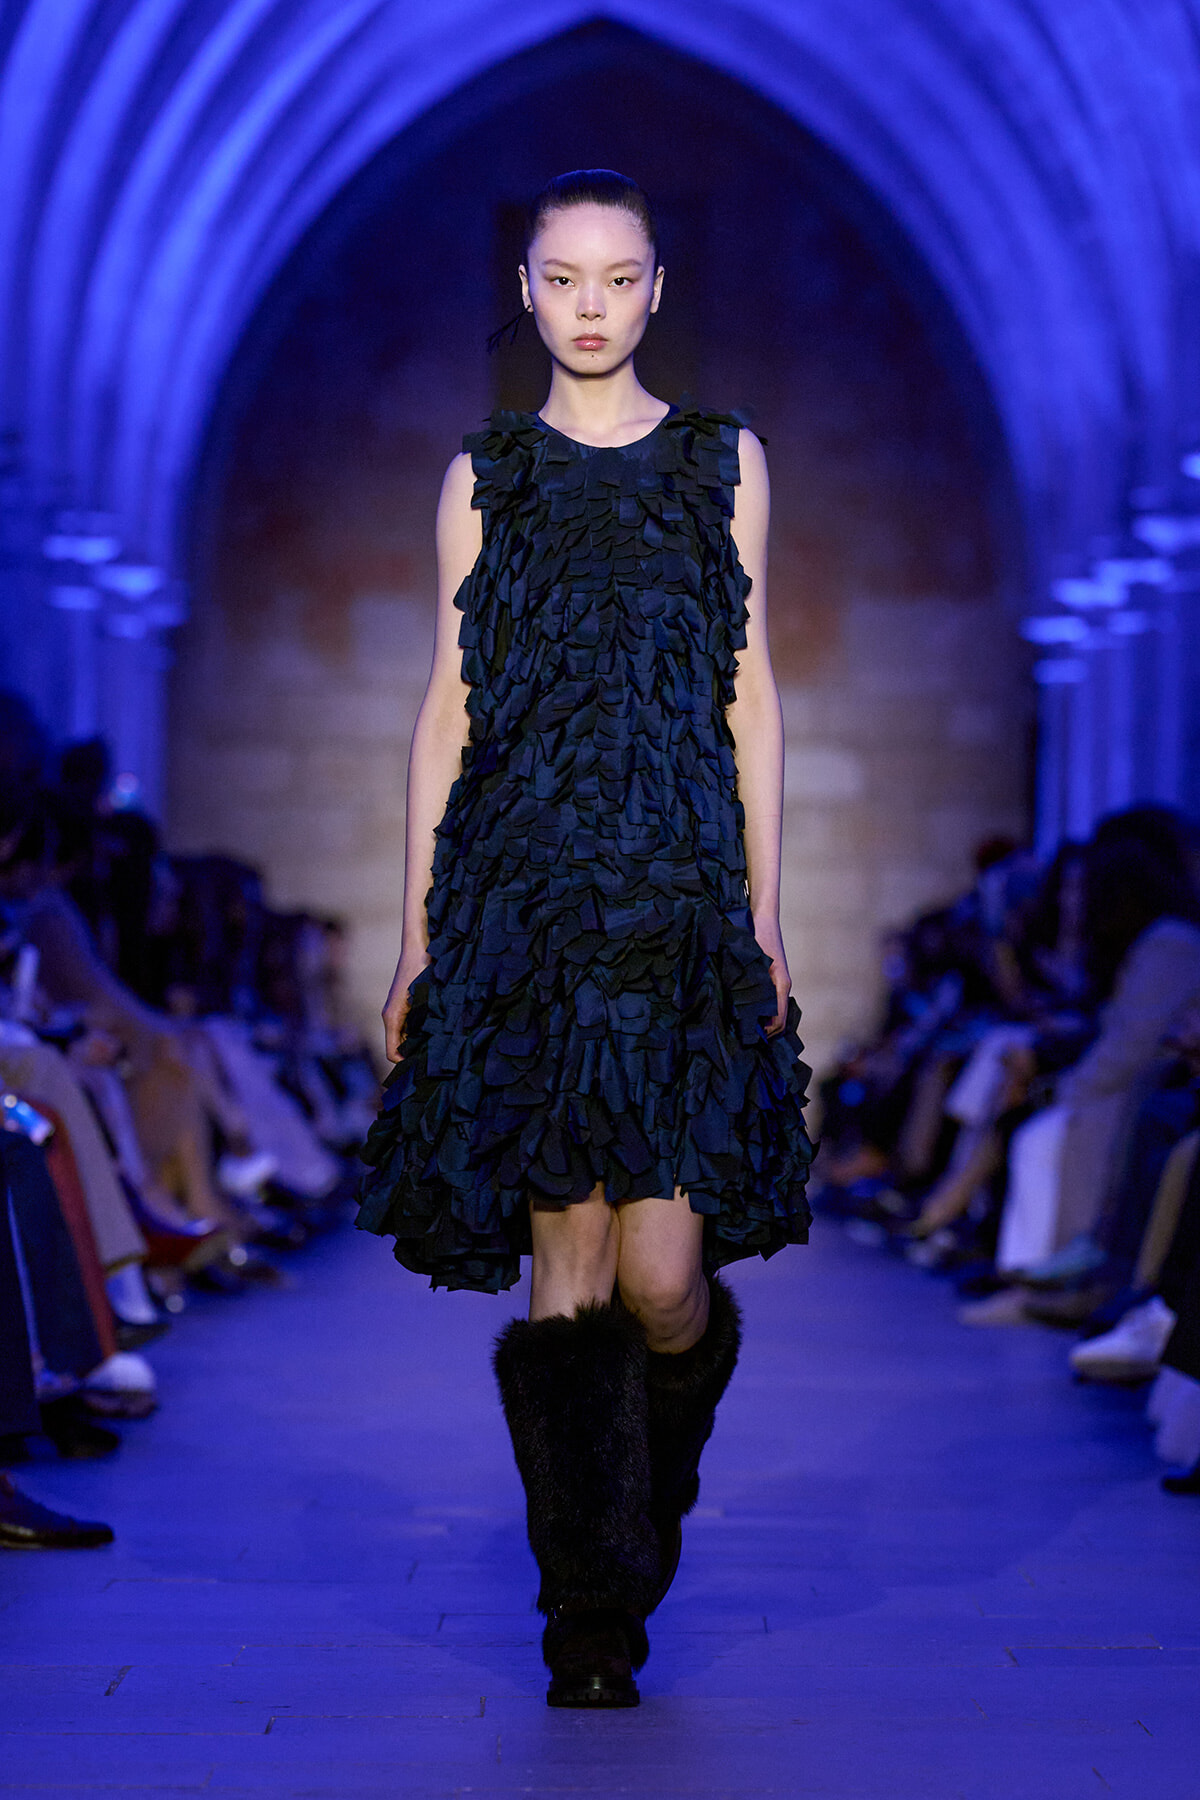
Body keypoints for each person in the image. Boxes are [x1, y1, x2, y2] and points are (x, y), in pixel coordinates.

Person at [356, 169, 814, 1708]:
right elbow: (448, 708)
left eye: (620, 277)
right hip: (528, 906)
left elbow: (751, 694)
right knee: (567, 1260)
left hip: (678, 909)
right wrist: (419, 937)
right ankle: (588, 1614)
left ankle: (639, 1497)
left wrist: (763, 911)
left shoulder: (722, 461)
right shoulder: (485, 475)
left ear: (659, 287)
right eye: (564, 279)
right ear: (527, 288)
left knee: (665, 1276)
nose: (593, 306)